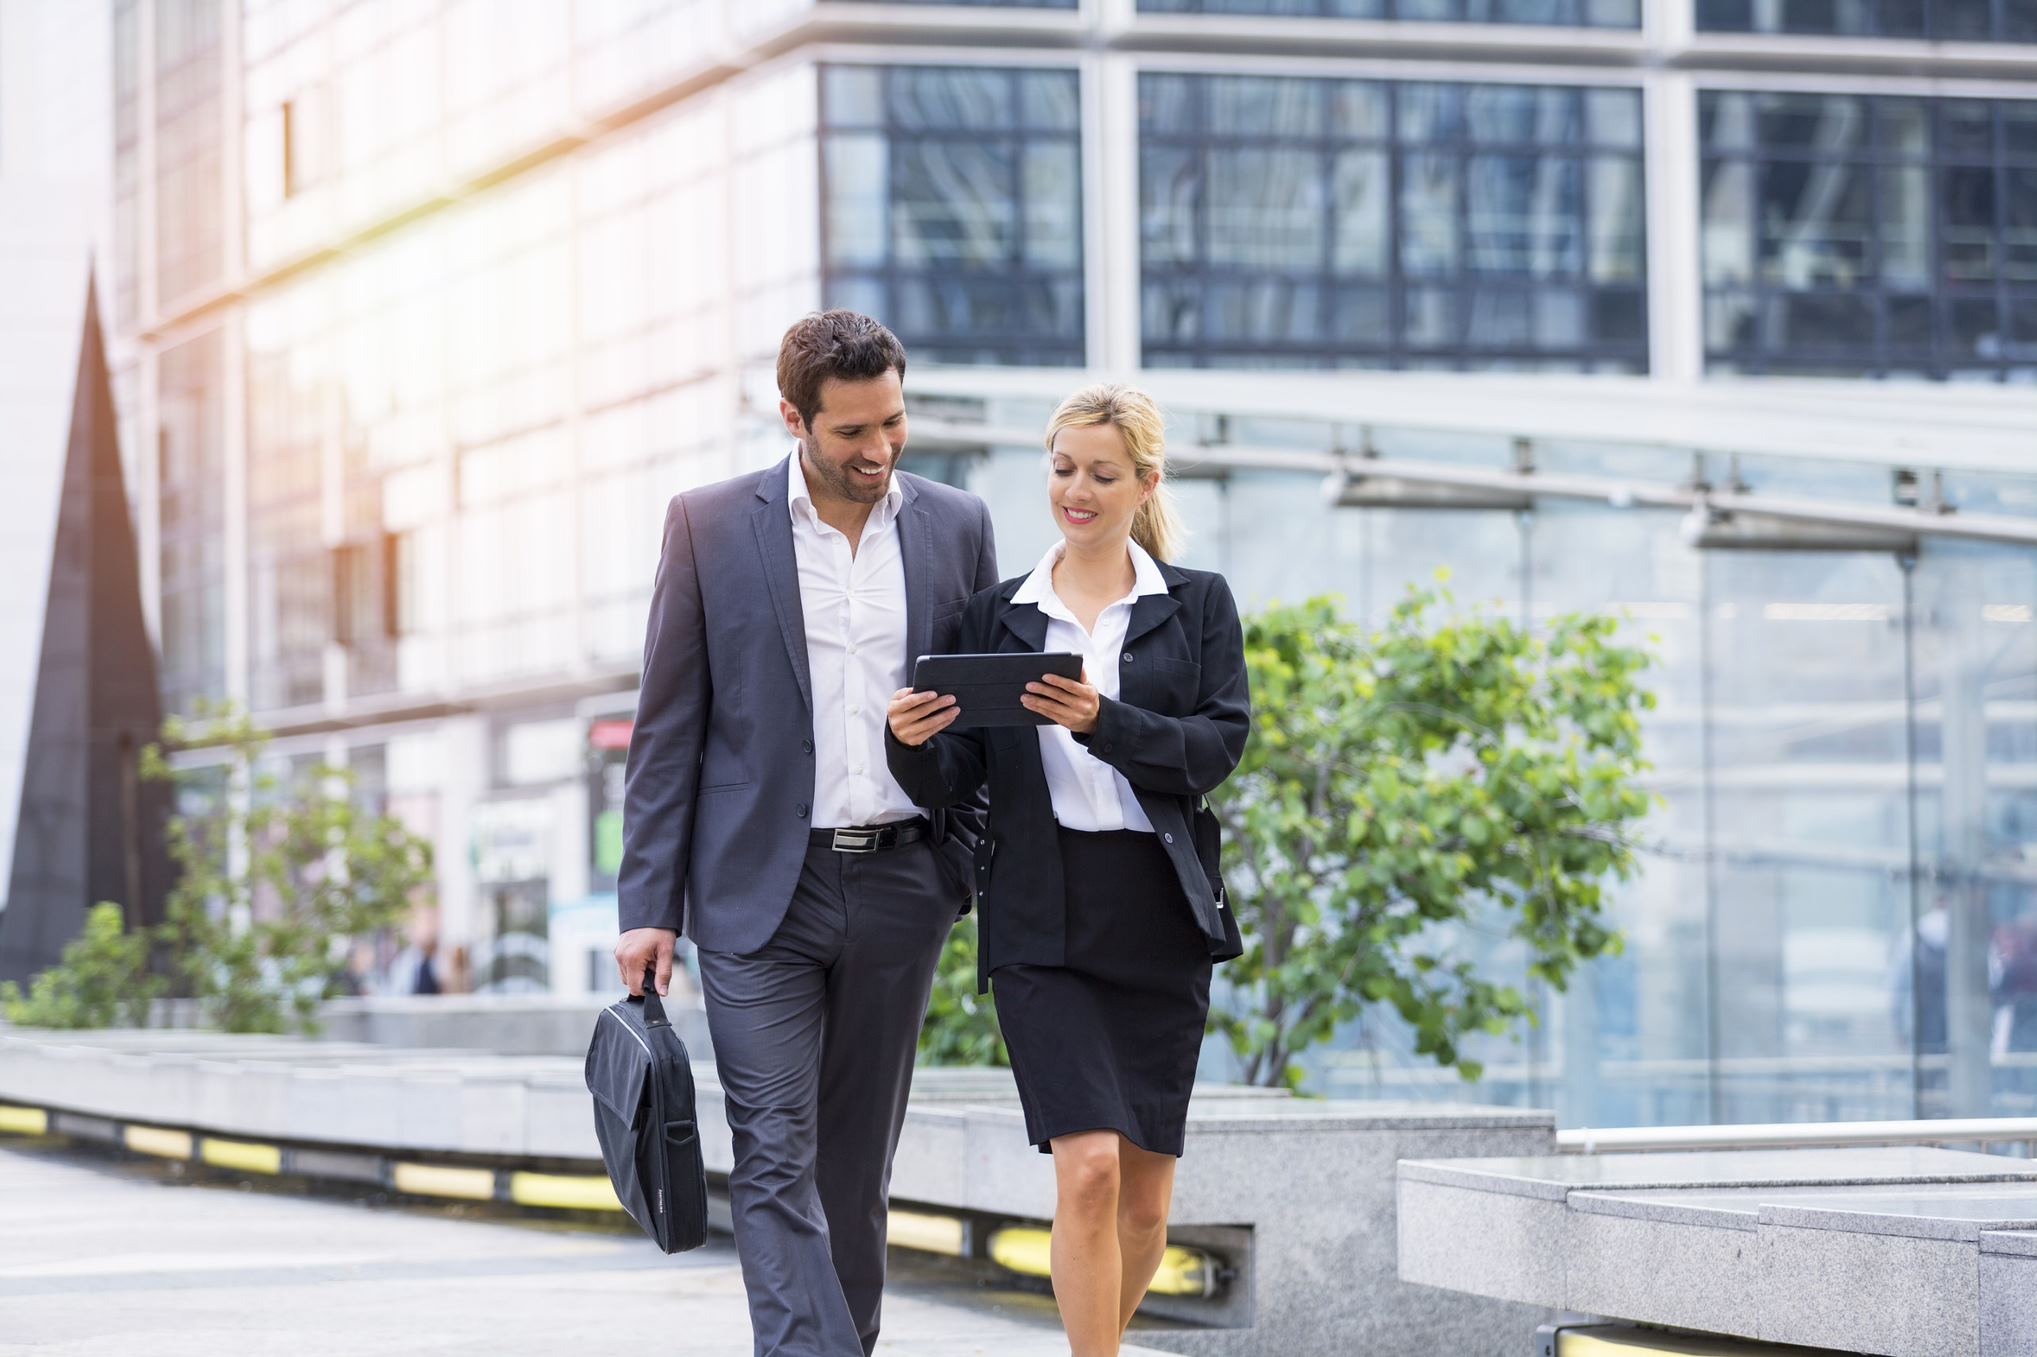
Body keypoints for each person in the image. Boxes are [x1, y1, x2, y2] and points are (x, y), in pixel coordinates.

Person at [613, 311, 997, 1357]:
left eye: (893, 422)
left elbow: (983, 723)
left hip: (902, 884)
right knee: (775, 1153)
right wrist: (648, 903)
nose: (878, 450)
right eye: (851, 433)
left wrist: (959, 865)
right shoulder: (706, 525)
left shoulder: (957, 525)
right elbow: (668, 725)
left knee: (852, 1172)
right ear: (794, 419)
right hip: (755, 893)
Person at [884, 383, 1249, 1357]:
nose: (1076, 490)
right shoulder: (996, 615)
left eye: (1100, 473)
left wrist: (1104, 722)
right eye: (1061, 469)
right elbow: (958, 773)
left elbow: (1216, 748)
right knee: (1086, 1169)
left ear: (1144, 483)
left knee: (1143, 1202)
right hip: (1042, 916)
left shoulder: (1197, 605)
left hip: (1160, 919)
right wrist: (911, 744)